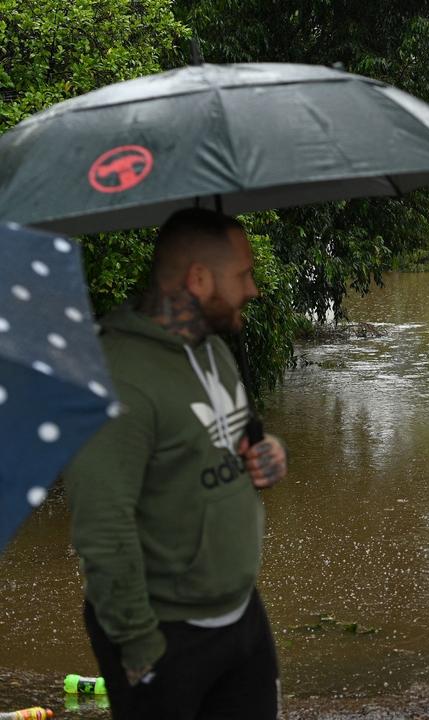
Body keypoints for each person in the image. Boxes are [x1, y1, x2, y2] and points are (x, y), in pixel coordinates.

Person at [64, 208, 287, 720]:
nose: (252, 289)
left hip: (241, 616)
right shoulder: (118, 379)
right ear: (200, 278)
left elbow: (238, 445)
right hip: (165, 636)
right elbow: (101, 527)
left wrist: (272, 453)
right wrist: (140, 649)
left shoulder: (215, 351)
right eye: (243, 275)